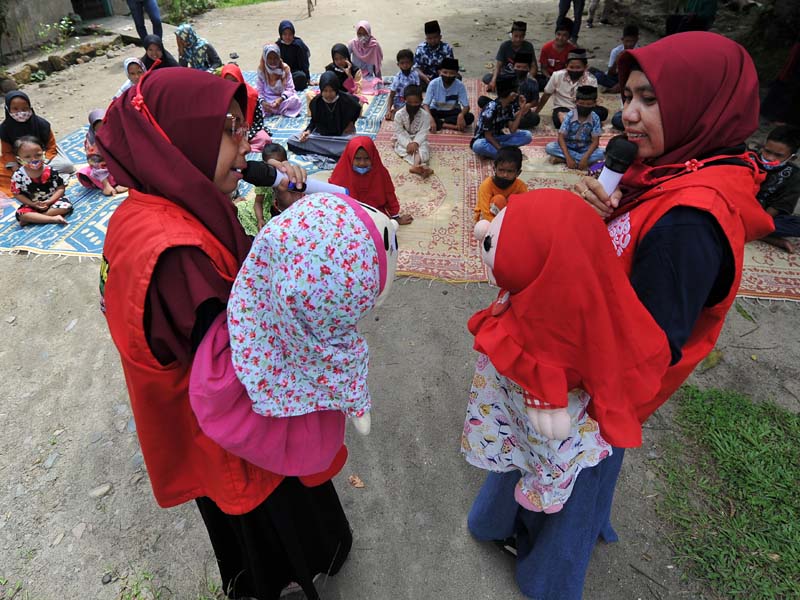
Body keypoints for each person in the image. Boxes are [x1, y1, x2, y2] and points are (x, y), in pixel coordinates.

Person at [468, 31, 775, 600]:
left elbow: (649, 346)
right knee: (541, 453)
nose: (629, 115)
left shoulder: (690, 222)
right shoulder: (668, 171)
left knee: (577, 471)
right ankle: (505, 520)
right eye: (629, 95)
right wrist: (593, 226)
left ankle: (548, 574)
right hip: (575, 361)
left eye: (651, 100)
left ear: (701, 104)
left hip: (602, 388)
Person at [96, 66, 355, 600]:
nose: (246, 145)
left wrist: (280, 214)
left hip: (209, 411)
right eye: (229, 128)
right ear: (179, 138)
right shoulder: (176, 255)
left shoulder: (156, 206)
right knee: (270, 508)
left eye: (244, 125)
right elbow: (247, 362)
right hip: (229, 426)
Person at [1, 91, 74, 196]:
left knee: (66, 165)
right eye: (15, 109)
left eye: (24, 108)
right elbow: (7, 152)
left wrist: (43, 161)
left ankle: (39, 176)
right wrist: (17, 167)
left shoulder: (41, 124)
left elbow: (51, 146)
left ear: (30, 107)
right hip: (21, 160)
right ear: (8, 109)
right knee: (5, 174)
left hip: (42, 156)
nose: (21, 113)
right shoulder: (4, 129)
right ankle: (40, 176)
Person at [329, 136, 413, 224]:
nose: (362, 163)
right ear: (350, 157)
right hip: (349, 214)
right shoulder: (340, 173)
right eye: (357, 159)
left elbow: (389, 195)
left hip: (374, 213)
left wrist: (395, 217)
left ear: (373, 157)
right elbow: (333, 197)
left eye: (366, 158)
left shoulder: (380, 172)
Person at [287, 72, 362, 159]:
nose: (328, 94)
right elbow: (314, 121)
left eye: (331, 91)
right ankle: (334, 152)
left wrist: (351, 123)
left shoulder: (345, 100)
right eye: (325, 91)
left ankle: (326, 151)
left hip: (341, 137)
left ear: (336, 89)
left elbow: (357, 108)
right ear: (321, 90)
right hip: (322, 137)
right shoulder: (316, 102)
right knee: (293, 140)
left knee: (356, 144)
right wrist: (308, 131)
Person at [535, 48, 607, 129]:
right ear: (566, 66)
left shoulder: (591, 79)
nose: (574, 70)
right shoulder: (557, 75)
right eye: (571, 67)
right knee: (558, 121)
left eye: (578, 67)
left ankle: (574, 122)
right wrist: (537, 111)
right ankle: (585, 123)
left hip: (583, 108)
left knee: (602, 113)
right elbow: (546, 94)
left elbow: (592, 100)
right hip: (563, 108)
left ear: (585, 67)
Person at [755, 126, 800, 253]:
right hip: (739, 209)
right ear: (763, 146)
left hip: (766, 216)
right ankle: (764, 236)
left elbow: (781, 206)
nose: (769, 158)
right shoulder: (749, 160)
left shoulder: (794, 175)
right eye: (767, 151)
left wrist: (759, 222)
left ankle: (755, 230)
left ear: (791, 158)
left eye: (778, 155)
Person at [10, 136, 72, 226]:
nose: (34, 159)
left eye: (38, 155)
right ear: (19, 159)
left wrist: (50, 201)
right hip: (33, 205)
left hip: (53, 201)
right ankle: (52, 219)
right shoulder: (18, 176)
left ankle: (36, 218)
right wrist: (32, 204)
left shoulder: (50, 170)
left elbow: (60, 188)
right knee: (21, 214)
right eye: (27, 157)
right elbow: (17, 194)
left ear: (43, 153)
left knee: (66, 207)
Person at [472, 77, 534, 160]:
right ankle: (505, 153)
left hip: (499, 138)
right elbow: (488, 136)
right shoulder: (491, 109)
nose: (517, 94)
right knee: (478, 146)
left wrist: (522, 109)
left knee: (527, 135)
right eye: (515, 92)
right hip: (485, 140)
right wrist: (501, 150)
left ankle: (498, 153)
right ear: (509, 93)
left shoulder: (509, 106)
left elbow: (512, 129)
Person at [545, 85, 604, 170]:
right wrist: (568, 157)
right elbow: (561, 137)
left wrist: (585, 158)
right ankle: (578, 160)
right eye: (581, 104)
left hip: (585, 148)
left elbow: (595, 142)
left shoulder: (595, 118)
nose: (585, 106)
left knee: (602, 153)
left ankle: (563, 159)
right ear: (576, 102)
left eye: (588, 104)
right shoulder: (570, 115)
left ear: (595, 103)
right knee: (550, 147)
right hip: (568, 146)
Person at [221, 63, 271, 153]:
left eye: (234, 81)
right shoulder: (221, 96)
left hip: (248, 131)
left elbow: (258, 122)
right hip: (230, 132)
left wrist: (247, 135)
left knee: (264, 139)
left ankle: (238, 147)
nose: (231, 85)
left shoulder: (251, 95)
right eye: (227, 81)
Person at [77, 109, 127, 195]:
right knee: (86, 173)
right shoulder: (92, 142)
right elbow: (96, 163)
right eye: (98, 129)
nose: (103, 131)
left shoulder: (118, 131)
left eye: (105, 125)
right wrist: (106, 185)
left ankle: (126, 181)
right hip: (106, 168)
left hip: (124, 164)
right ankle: (111, 184)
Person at [473, 146, 527, 222]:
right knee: (498, 199)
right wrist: (497, 226)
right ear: (494, 169)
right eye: (501, 170)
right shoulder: (486, 185)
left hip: (508, 218)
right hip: (489, 219)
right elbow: (485, 213)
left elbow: (524, 208)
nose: (505, 175)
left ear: (518, 173)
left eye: (510, 171)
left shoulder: (520, 186)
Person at [423, 57, 475, 133]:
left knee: (469, 117)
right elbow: (425, 104)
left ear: (457, 74)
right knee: (422, 114)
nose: (448, 75)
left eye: (452, 73)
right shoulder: (433, 84)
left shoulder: (460, 85)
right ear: (439, 72)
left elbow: (466, 106)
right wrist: (430, 118)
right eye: (445, 72)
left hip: (452, 111)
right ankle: (450, 126)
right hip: (436, 110)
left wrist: (461, 115)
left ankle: (440, 123)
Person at [483, 21, 537, 93]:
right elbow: (498, 65)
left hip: (522, 76)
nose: (518, 39)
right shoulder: (505, 46)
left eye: (521, 37)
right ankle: (514, 87)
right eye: (516, 36)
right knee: (487, 78)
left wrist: (530, 78)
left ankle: (513, 87)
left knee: (538, 82)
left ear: (524, 36)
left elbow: (533, 66)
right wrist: (493, 80)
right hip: (507, 75)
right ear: (512, 35)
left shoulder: (528, 46)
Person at [393, 85, 433, 178]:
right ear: (404, 100)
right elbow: (399, 132)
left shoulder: (425, 115)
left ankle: (415, 165)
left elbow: (423, 132)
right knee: (403, 149)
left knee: (424, 148)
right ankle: (421, 166)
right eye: (410, 102)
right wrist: (408, 143)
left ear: (421, 101)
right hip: (404, 138)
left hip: (419, 138)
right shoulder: (399, 114)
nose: (413, 105)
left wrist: (415, 142)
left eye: (416, 102)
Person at [256, 44, 303, 118]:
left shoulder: (285, 68)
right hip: (267, 98)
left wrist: (281, 99)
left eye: (275, 58)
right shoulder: (262, 70)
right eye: (270, 58)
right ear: (265, 58)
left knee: (296, 101)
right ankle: (273, 109)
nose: (273, 61)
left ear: (279, 57)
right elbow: (259, 90)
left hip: (282, 98)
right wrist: (263, 102)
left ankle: (273, 110)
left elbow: (290, 88)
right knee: (254, 103)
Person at [589, 24, 639, 92]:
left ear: (636, 40)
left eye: (632, 41)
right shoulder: (616, 51)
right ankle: (619, 87)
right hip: (616, 76)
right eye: (627, 41)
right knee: (598, 75)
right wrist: (616, 61)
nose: (629, 44)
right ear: (622, 39)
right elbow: (610, 73)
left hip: (631, 78)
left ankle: (618, 88)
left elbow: (638, 74)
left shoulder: (639, 52)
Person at [414, 20, 455, 87]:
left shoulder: (447, 48)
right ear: (426, 39)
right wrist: (425, 78)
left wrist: (442, 75)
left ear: (440, 37)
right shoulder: (420, 48)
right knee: (412, 80)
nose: (433, 40)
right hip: (426, 78)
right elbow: (416, 68)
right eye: (430, 38)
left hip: (443, 77)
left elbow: (450, 67)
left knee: (457, 78)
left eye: (435, 37)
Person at [538, 18, 576, 87]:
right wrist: (549, 77)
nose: (560, 38)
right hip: (549, 77)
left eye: (564, 35)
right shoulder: (546, 48)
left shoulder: (572, 51)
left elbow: (573, 69)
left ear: (569, 37)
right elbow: (543, 68)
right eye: (558, 34)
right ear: (555, 34)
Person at [385, 49, 421, 121]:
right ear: (398, 64)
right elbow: (391, 96)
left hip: (412, 102)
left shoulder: (415, 75)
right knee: (395, 117)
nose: (405, 65)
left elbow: (418, 92)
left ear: (412, 63)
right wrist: (388, 110)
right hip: (400, 103)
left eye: (407, 62)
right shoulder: (397, 78)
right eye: (402, 63)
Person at [277, 20, 311, 91]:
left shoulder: (298, 45)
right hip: (282, 73)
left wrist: (308, 79)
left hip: (295, 72)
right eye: (285, 34)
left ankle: (285, 87)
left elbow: (304, 63)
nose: (287, 37)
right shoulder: (277, 46)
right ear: (281, 35)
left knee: (301, 77)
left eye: (290, 34)